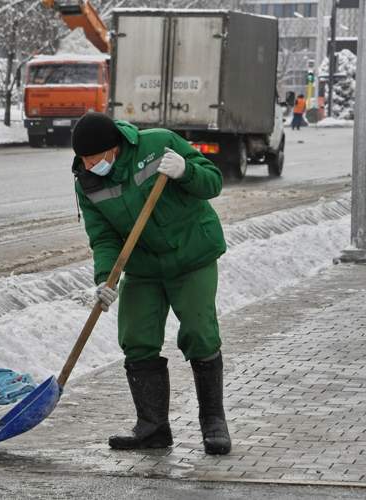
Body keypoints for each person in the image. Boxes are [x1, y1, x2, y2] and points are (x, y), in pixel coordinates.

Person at [70, 112, 231, 455]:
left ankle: (213, 422)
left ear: (113, 148)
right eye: (83, 160)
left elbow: (213, 182)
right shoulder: (87, 181)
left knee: (200, 332)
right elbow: (103, 237)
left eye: (94, 158)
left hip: (191, 253)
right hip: (143, 266)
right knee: (136, 337)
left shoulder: (159, 143)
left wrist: (187, 172)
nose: (89, 165)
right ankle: (152, 427)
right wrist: (105, 278)